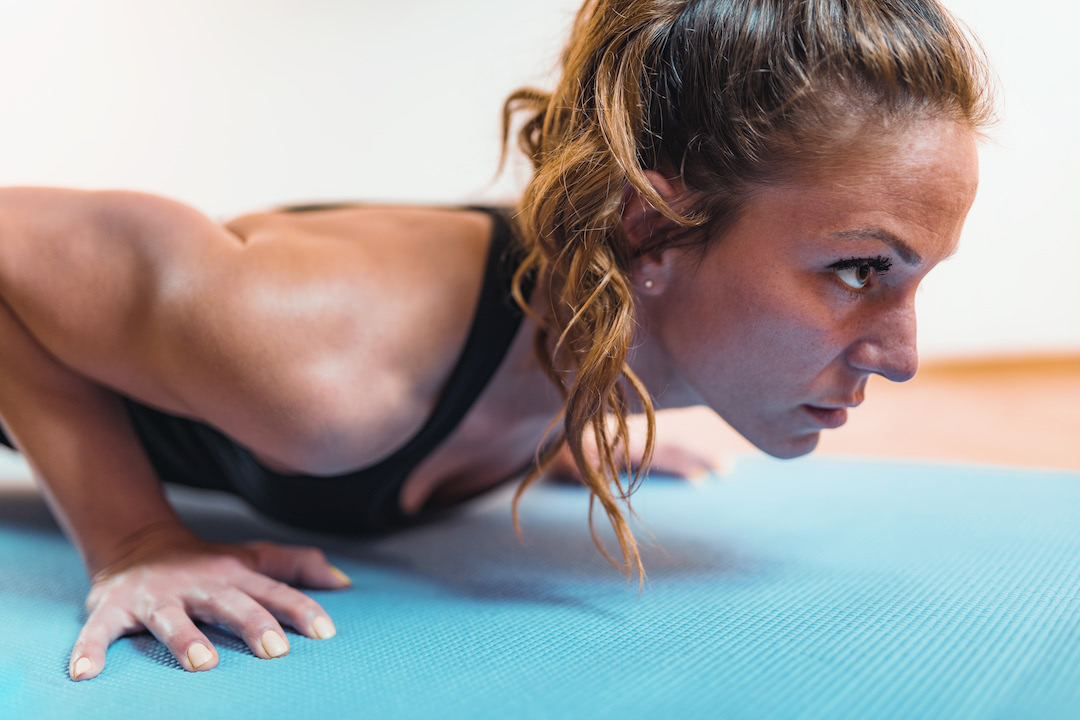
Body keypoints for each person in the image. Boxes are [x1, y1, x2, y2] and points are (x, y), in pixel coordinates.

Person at [0, 0, 992, 682]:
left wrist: (571, 419)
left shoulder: (616, 319)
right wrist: (135, 538)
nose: (902, 354)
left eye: (914, 278)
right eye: (859, 270)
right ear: (650, 227)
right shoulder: (317, 354)